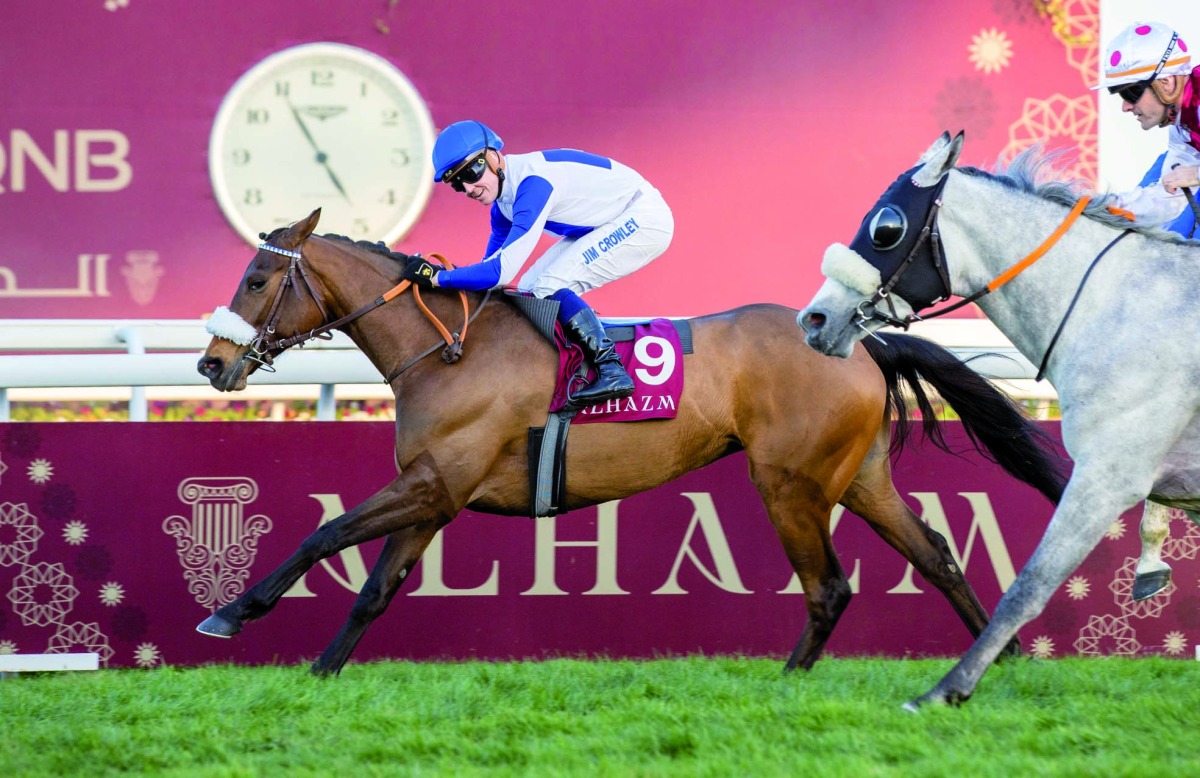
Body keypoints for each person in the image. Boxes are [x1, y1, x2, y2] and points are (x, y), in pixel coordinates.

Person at [404, 120, 674, 408]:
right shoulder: (503, 207)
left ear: (493, 156)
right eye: (457, 183)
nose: (469, 187)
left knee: (548, 285)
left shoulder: (532, 186)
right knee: (532, 288)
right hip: (610, 220)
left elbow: (498, 272)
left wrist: (439, 279)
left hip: (643, 218)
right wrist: (448, 280)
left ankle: (611, 370)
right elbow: (490, 270)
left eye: (471, 171)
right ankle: (581, 360)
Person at [1098, 20, 1200, 233]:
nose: (1126, 107)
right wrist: (1100, 206)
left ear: (1167, 82)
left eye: (1130, 93)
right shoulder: (1182, 128)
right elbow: (1167, 200)